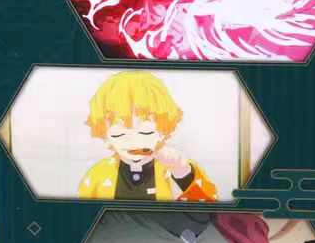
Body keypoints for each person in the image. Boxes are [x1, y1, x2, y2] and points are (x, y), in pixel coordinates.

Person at [79, 70, 216, 201]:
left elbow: (209, 208)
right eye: (118, 134)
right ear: (105, 135)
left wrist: (182, 173)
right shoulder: (97, 174)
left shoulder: (177, 167)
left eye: (145, 132)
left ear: (163, 131)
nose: (133, 142)